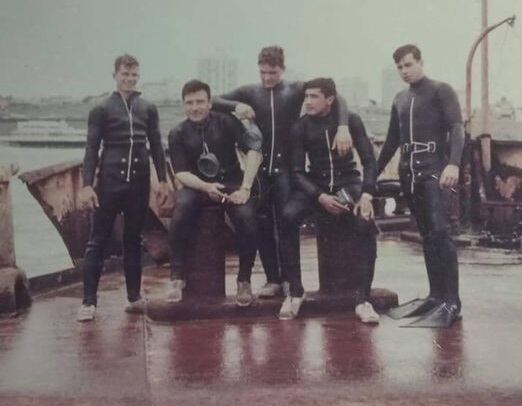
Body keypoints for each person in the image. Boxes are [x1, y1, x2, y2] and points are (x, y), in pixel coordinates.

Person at [213, 45, 352, 298]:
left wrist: (343, 127)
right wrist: (236, 106)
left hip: (287, 169)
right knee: (263, 224)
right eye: (263, 72)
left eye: (273, 72)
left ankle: (290, 279)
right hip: (260, 169)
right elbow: (213, 100)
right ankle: (272, 279)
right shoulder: (250, 91)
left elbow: (336, 96)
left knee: (287, 223)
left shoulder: (295, 89)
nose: (267, 78)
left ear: (283, 69)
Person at [377, 44, 464, 328]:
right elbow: (391, 141)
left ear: (420, 62)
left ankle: (452, 300)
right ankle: (435, 296)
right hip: (409, 173)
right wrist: (370, 176)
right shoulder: (400, 98)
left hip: (435, 170)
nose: (404, 71)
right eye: (400, 67)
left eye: (408, 64)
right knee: (426, 235)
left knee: (440, 233)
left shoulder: (441, 90)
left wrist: (453, 163)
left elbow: (457, 128)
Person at [77, 54, 169, 322]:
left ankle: (133, 297)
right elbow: (92, 149)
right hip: (109, 183)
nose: (129, 79)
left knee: (133, 240)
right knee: (98, 241)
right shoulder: (102, 109)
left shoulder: (148, 108)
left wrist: (162, 181)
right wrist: (86, 185)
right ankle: (88, 302)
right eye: (125, 74)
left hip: (138, 185)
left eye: (134, 75)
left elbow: (156, 146)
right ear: (115, 75)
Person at [280, 78, 379, 322]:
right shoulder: (300, 127)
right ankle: (295, 292)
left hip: (348, 183)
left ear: (330, 100)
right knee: (287, 217)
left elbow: (369, 161)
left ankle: (363, 300)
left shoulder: (351, 121)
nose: (308, 102)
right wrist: (319, 196)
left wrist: (367, 194)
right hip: (316, 186)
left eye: (314, 97)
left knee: (365, 224)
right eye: (306, 97)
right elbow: (297, 172)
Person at [167, 79, 262, 306]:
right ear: (183, 105)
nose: (195, 107)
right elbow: (180, 172)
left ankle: (244, 280)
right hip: (196, 185)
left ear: (210, 103)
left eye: (200, 101)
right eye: (189, 102)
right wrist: (205, 186)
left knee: (248, 219)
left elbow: (254, 151)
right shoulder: (177, 132)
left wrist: (245, 187)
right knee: (180, 213)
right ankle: (176, 277)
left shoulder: (227, 122)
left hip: (230, 181)